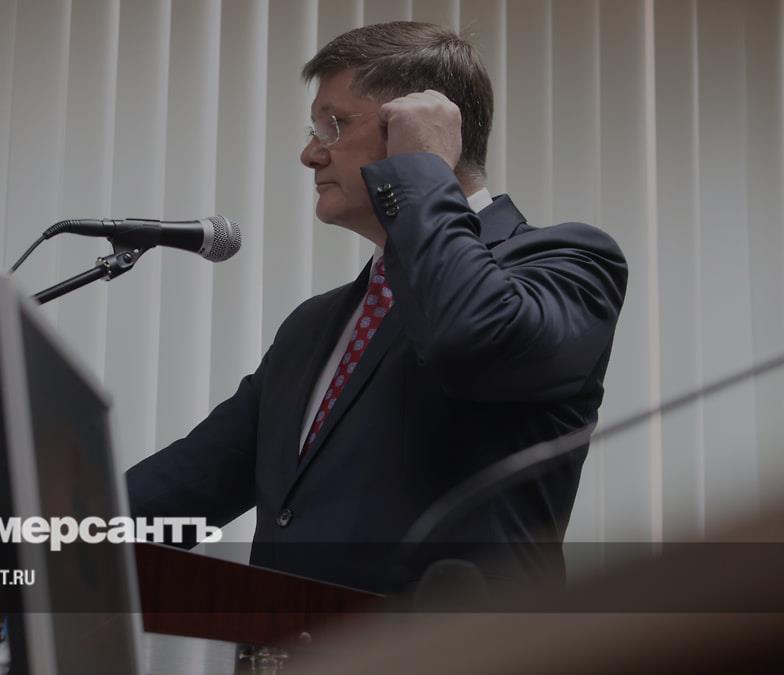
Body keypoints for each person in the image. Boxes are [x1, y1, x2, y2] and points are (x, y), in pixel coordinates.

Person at [125, 22, 627, 596]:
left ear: (420, 124)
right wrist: (49, 537)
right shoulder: (314, 325)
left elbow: (467, 339)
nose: (310, 154)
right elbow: (188, 484)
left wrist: (423, 172)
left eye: (333, 124)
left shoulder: (572, 260)